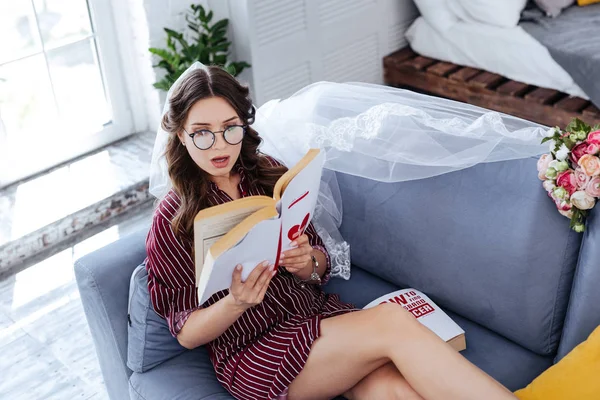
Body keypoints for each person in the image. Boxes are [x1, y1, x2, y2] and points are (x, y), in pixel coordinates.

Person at [145, 65, 517, 400]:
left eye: (230, 128)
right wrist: (236, 302)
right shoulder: (173, 219)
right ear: (179, 134)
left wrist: (307, 261)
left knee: (393, 389)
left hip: (316, 318)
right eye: (202, 134)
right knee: (392, 322)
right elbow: (186, 332)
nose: (220, 144)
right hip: (256, 352)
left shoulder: (270, 173)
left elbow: (320, 267)